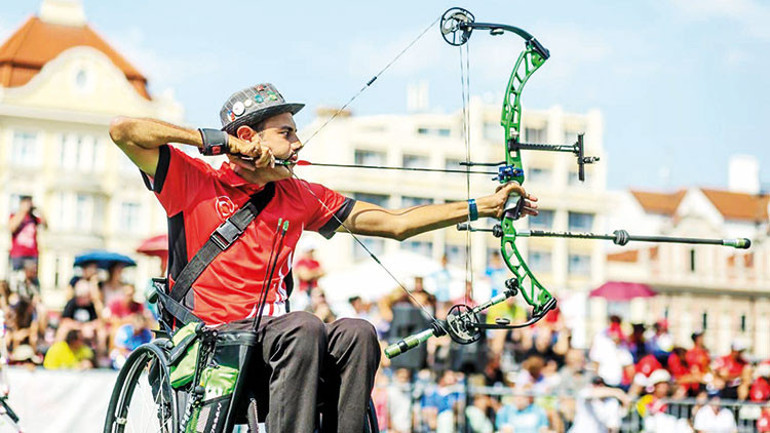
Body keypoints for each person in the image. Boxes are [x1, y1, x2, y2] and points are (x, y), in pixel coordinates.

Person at [108, 82, 537, 433]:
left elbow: (396, 223)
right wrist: (216, 143)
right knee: (304, 325)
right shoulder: (191, 179)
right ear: (247, 138)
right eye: (286, 132)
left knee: (357, 332)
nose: (298, 143)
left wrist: (484, 205)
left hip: (277, 344)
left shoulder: (300, 195)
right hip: (210, 342)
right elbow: (124, 132)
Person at [8, 195, 46, 273]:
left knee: (31, 278)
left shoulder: (33, 218)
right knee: (17, 277)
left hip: (32, 254)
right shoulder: (14, 215)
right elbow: (12, 227)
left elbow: (45, 225)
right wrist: (23, 211)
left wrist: (39, 211)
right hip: (18, 254)